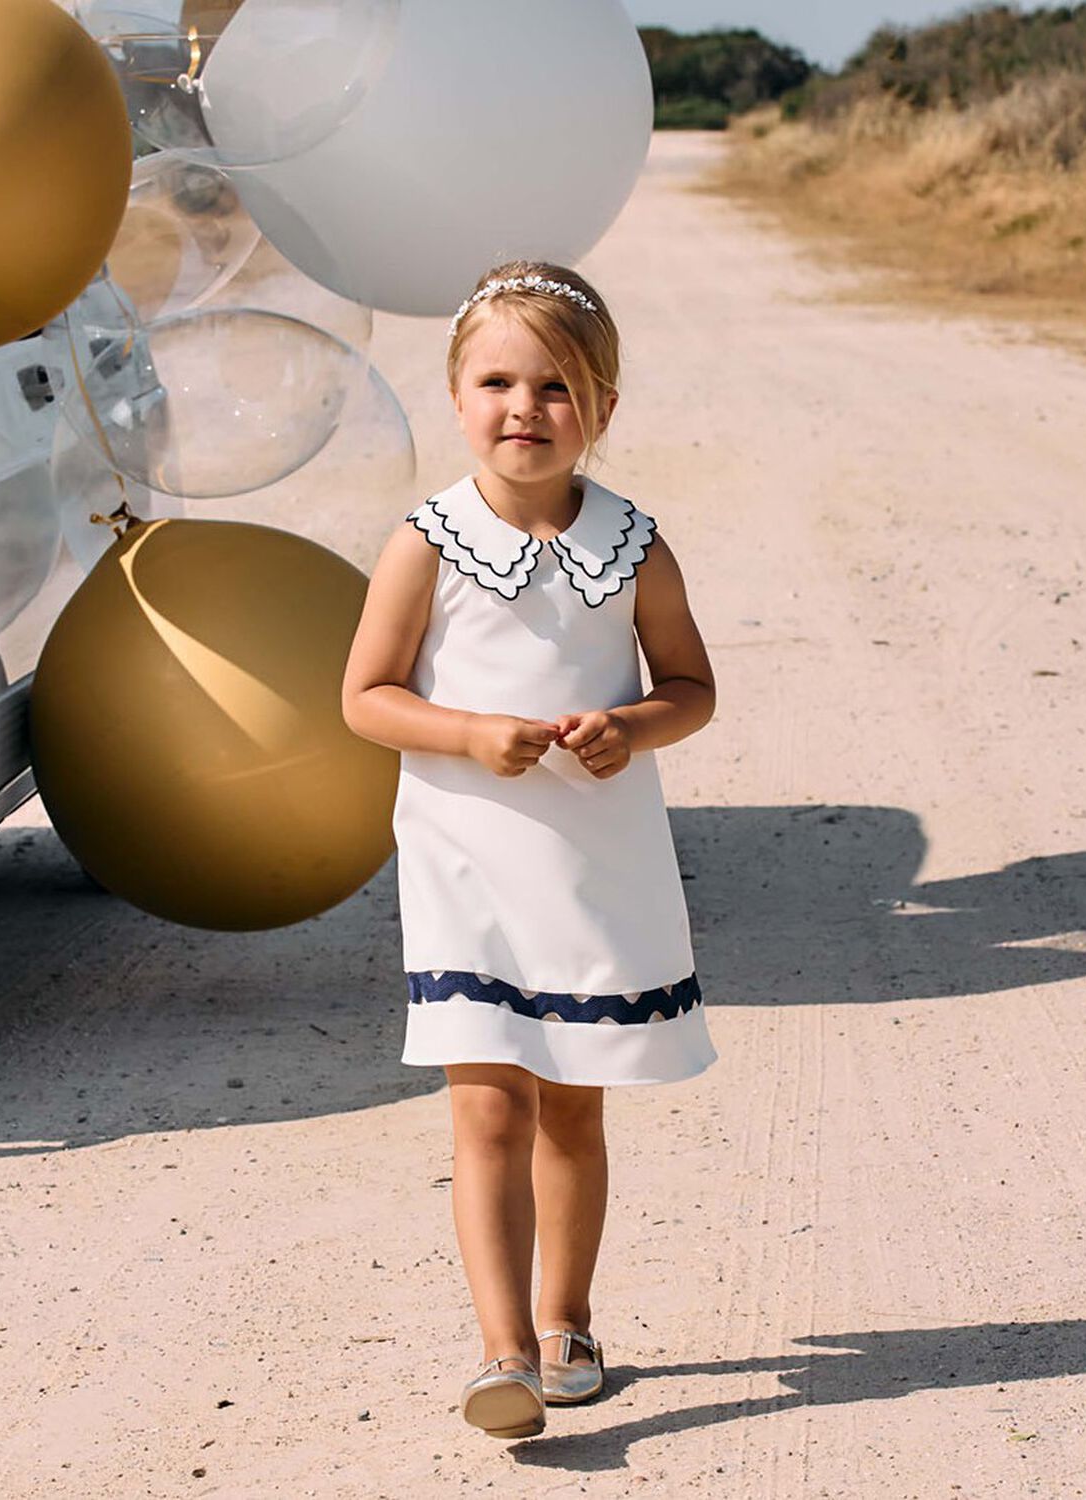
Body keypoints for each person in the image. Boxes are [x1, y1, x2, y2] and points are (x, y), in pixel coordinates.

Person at [340, 260, 718, 1440]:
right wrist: (467, 733)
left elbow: (692, 686)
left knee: (570, 1110)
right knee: (488, 1108)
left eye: (556, 387)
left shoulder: (634, 545)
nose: (525, 408)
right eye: (498, 383)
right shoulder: (428, 543)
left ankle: (567, 1323)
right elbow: (365, 696)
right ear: (457, 397)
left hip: (589, 865)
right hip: (466, 860)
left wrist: (632, 727)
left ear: (602, 406)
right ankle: (500, 1350)